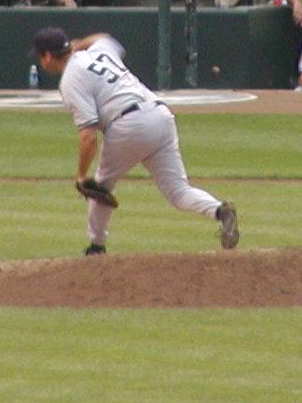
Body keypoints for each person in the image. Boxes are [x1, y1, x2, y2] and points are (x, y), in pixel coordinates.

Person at [30, 26, 239, 256]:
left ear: (47, 56)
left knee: (100, 186)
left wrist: (80, 175)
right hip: (160, 116)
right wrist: (78, 46)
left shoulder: (70, 79)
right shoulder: (99, 51)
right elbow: (104, 37)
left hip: (129, 125)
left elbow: (88, 136)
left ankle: (96, 247)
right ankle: (220, 211)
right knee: (178, 191)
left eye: (40, 56)